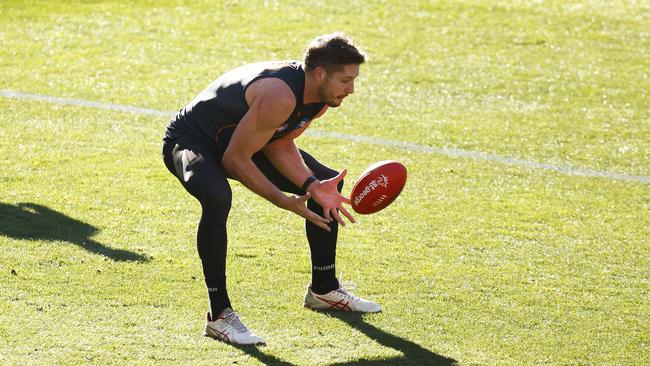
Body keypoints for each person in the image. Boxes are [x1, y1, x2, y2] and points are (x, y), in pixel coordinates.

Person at [162, 32, 380, 346]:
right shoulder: (280, 94)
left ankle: (324, 289)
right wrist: (284, 200)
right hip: (192, 141)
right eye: (346, 80)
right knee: (217, 196)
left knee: (327, 184)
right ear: (320, 73)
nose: (351, 89)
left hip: (240, 139)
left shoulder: (320, 98)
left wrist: (311, 186)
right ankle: (219, 315)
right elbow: (235, 160)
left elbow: (279, 142)